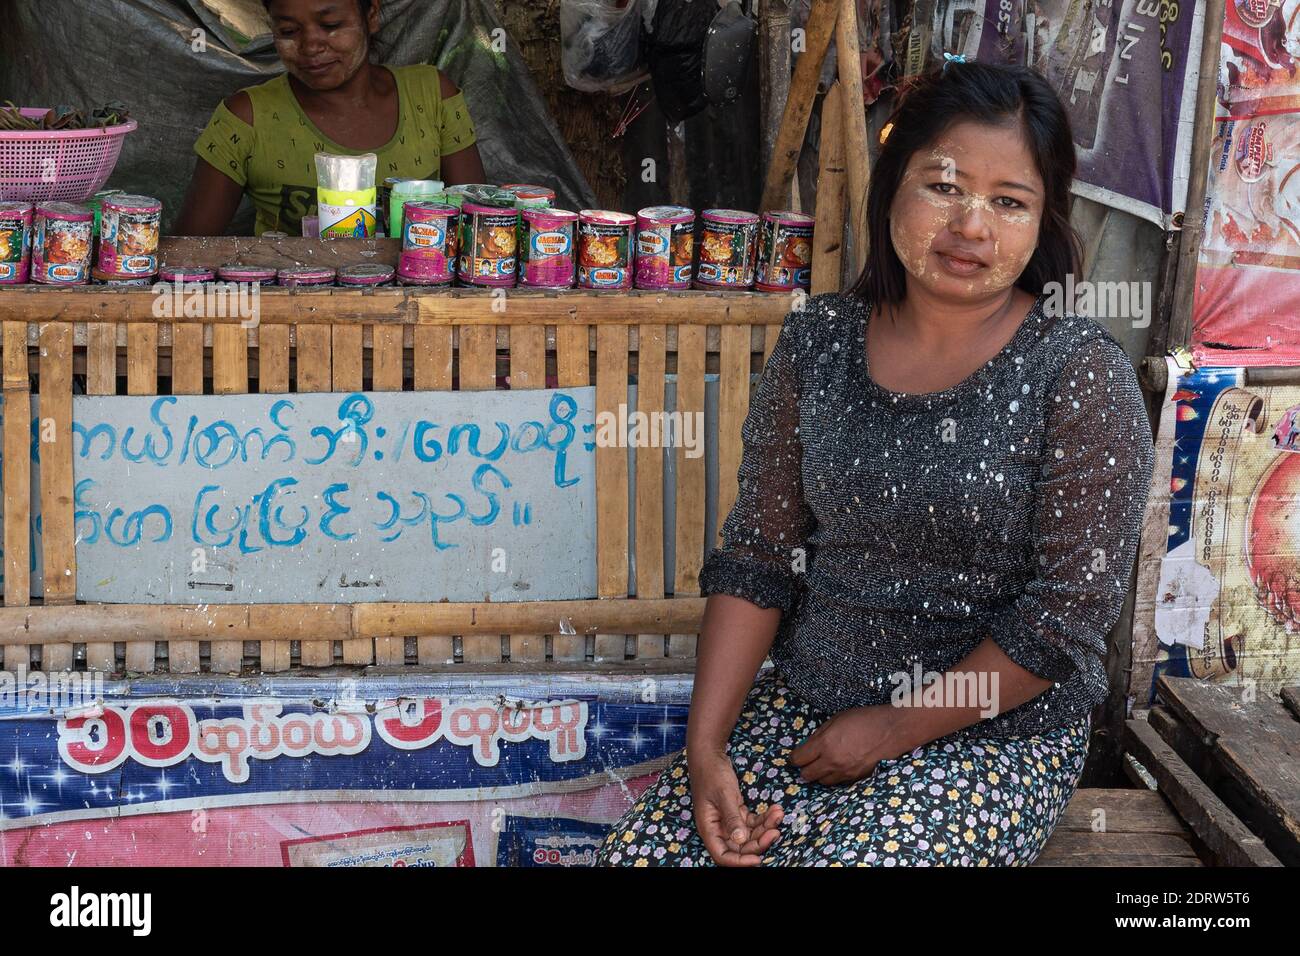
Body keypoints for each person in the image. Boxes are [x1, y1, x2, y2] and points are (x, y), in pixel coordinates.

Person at [596, 60, 1156, 867]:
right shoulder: (819, 340)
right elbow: (759, 553)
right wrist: (707, 750)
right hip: (806, 713)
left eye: (1009, 203)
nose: (971, 227)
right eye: (944, 187)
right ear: (892, 183)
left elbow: (1064, 618)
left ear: (1043, 222)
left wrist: (893, 729)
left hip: (986, 737)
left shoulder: (1078, 372)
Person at [173, 0, 486, 237]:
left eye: (331, 25)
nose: (311, 46)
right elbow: (188, 252)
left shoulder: (432, 95)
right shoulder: (247, 117)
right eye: (288, 32)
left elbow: (477, 229)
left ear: (371, 16)